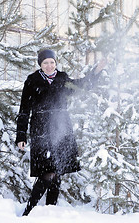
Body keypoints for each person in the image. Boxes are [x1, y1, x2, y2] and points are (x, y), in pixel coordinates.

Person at [15, 49, 105, 216]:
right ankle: (28, 213)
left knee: (57, 172)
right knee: (47, 172)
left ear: (55, 63)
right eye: (45, 63)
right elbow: (24, 110)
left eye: (52, 62)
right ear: (40, 64)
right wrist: (21, 135)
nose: (49, 66)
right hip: (41, 130)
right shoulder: (32, 81)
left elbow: (82, 85)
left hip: (61, 129)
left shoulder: (62, 78)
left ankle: (50, 213)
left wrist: (97, 71)